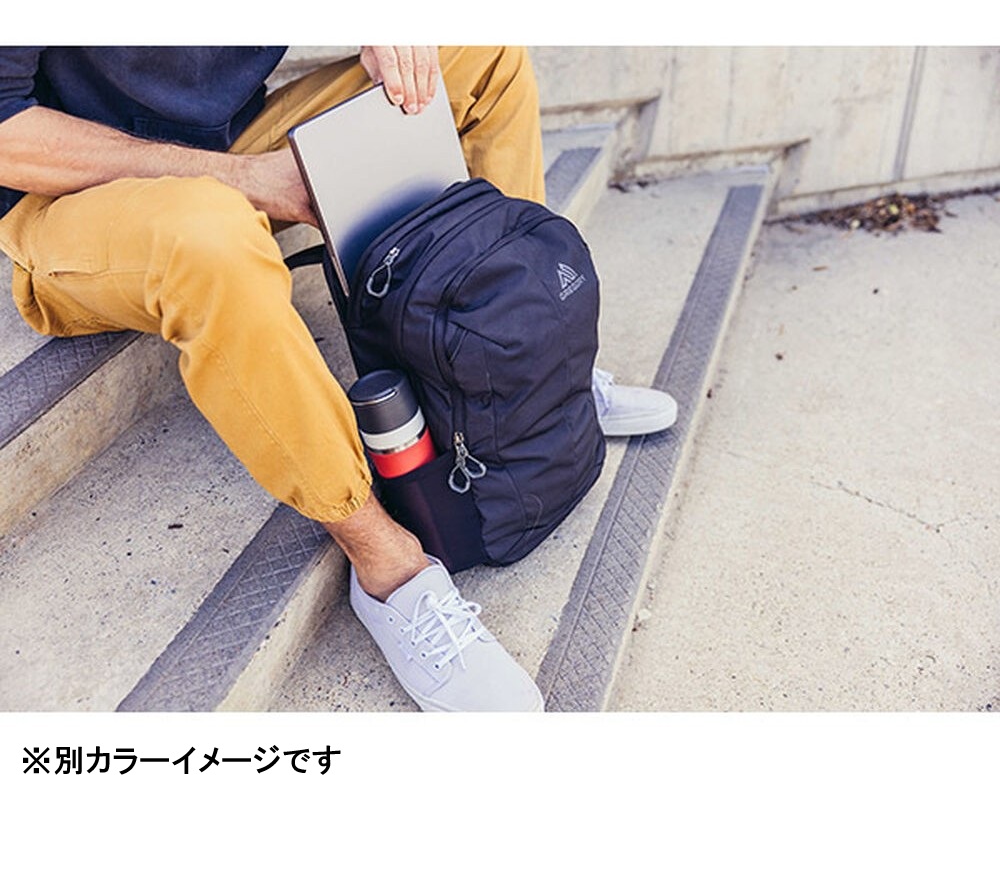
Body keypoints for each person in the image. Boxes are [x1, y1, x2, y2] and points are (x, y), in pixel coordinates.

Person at [0, 46, 676, 712]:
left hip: (235, 140)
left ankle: (531, 370)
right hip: (67, 190)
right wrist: (242, 179)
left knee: (482, 57)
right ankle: (389, 570)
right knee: (211, 237)